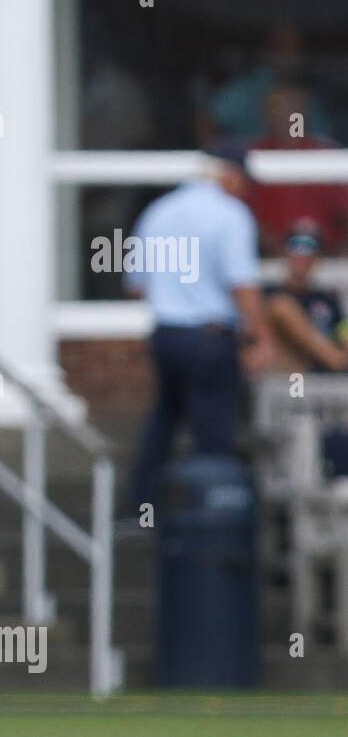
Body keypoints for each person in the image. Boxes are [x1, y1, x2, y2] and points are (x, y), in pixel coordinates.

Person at [125, 146, 276, 512]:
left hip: (167, 336)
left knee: (164, 421)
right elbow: (242, 284)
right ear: (229, 175)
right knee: (214, 431)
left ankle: (138, 511)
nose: (244, 191)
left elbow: (136, 285)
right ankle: (213, 521)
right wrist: (259, 339)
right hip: (209, 338)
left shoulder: (159, 211)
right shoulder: (230, 215)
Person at [245, 83, 348, 256]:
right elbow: (242, 215)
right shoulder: (253, 157)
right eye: (278, 109)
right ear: (266, 115)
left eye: (293, 108)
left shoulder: (327, 156)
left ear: (304, 112)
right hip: (267, 257)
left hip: (326, 259)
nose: (286, 115)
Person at [265, 223, 348, 373]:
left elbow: (342, 328)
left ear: (318, 257)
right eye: (295, 246)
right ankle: (336, 359)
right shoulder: (270, 293)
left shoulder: (326, 299)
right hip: (291, 378)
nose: (302, 255)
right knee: (281, 307)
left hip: (325, 379)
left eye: (310, 247)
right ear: (285, 253)